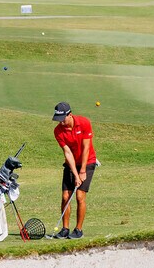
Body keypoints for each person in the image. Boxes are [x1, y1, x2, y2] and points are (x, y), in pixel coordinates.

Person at [52, 101, 97, 240]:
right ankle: (65, 229)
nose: (61, 122)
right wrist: (75, 174)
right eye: (58, 119)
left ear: (69, 115)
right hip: (71, 164)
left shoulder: (84, 123)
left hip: (87, 161)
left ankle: (78, 230)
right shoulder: (58, 131)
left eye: (62, 119)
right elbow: (68, 153)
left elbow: (86, 148)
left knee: (79, 196)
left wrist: (82, 171)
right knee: (66, 196)